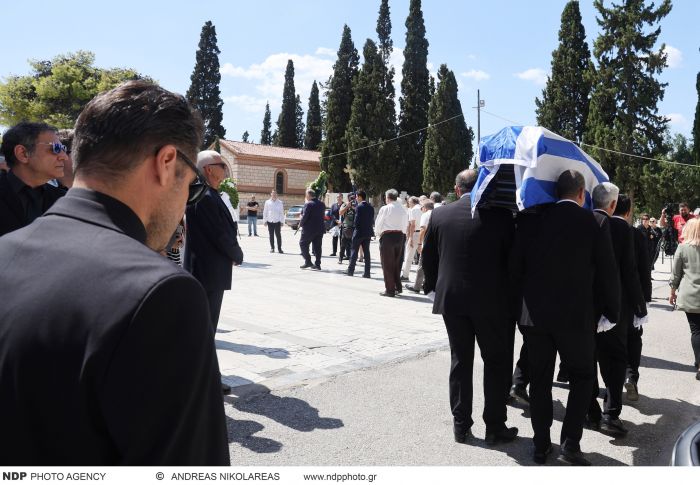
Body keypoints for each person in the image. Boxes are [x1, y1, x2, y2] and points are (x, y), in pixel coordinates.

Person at [0, 81, 229, 465]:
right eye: (191, 187)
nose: (184, 205)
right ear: (166, 162)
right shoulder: (161, 293)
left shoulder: (6, 250)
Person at [511, 170, 618, 465]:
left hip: (535, 318)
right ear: (582, 193)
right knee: (583, 378)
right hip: (576, 318)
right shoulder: (594, 222)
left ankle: (540, 445)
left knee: (540, 381)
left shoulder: (530, 220)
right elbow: (607, 272)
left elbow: (515, 267)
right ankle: (570, 445)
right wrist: (611, 312)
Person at [422, 169, 518, 446]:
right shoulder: (502, 217)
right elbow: (512, 263)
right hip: (491, 302)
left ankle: (460, 425)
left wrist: (433, 288)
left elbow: (428, 257)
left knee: (460, 361)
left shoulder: (440, 215)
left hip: (452, 300)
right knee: (495, 362)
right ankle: (495, 426)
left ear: (457, 189)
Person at [183, 150, 243, 395]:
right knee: (206, 329)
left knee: (205, 328)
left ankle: (201, 379)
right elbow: (220, 234)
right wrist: (237, 254)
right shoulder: (205, 196)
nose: (225, 169)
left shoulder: (208, 193)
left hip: (208, 271)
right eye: (222, 165)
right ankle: (204, 382)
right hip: (207, 273)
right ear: (208, 169)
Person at [610, 195, 649, 404]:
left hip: (607, 297)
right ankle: (631, 375)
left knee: (609, 345)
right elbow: (643, 269)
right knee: (633, 338)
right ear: (628, 212)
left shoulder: (602, 227)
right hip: (631, 297)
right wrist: (644, 301)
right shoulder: (635, 234)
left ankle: (612, 386)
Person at [0, 121, 68, 237]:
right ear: (23, 154)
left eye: (63, 148)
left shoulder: (63, 200)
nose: (64, 156)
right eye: (55, 148)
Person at [669, 218, 700, 381]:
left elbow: (676, 273)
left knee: (696, 331)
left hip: (690, 295)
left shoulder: (682, 247)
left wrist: (672, 292)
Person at [374, 189, 408, 297]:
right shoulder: (403, 209)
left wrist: (378, 234)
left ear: (387, 198)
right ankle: (397, 287)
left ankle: (390, 290)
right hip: (400, 236)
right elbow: (405, 224)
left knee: (387, 264)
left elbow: (379, 223)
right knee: (397, 263)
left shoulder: (385, 208)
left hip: (388, 237)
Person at [405, 201, 434, 293]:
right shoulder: (437, 213)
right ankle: (429, 285)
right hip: (437, 242)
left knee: (421, 265)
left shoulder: (425, 215)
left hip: (427, 242)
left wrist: (420, 244)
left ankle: (417, 286)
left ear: (425, 208)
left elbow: (422, 229)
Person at [346, 190, 374, 277]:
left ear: (360, 197)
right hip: (368, 232)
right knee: (367, 253)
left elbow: (356, 221)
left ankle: (350, 271)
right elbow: (371, 220)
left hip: (358, 232)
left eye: (357, 197)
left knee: (354, 251)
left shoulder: (359, 207)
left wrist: (354, 227)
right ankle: (367, 273)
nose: (356, 199)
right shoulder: (371, 207)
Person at [299, 188, 325, 270]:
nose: (306, 196)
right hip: (320, 229)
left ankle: (308, 261)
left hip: (309, 229)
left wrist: (300, 223)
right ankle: (318, 264)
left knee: (303, 244)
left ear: (309, 195)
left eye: (306, 195)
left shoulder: (308, 204)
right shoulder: (322, 204)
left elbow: (305, 216)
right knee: (318, 247)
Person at [401, 196, 422, 282]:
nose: (408, 204)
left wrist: (410, 237)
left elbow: (412, 225)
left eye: (409, 202)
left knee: (409, 256)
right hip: (423, 233)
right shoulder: (422, 208)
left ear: (413, 202)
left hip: (415, 233)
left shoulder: (413, 210)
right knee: (422, 258)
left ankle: (405, 275)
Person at [338, 193, 356, 264]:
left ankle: (352, 260)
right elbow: (340, 213)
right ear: (348, 198)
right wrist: (347, 207)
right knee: (343, 245)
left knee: (353, 246)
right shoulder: (344, 204)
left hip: (353, 227)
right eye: (351, 197)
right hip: (345, 227)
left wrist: (354, 208)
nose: (352, 199)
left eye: (353, 197)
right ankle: (340, 259)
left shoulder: (356, 205)